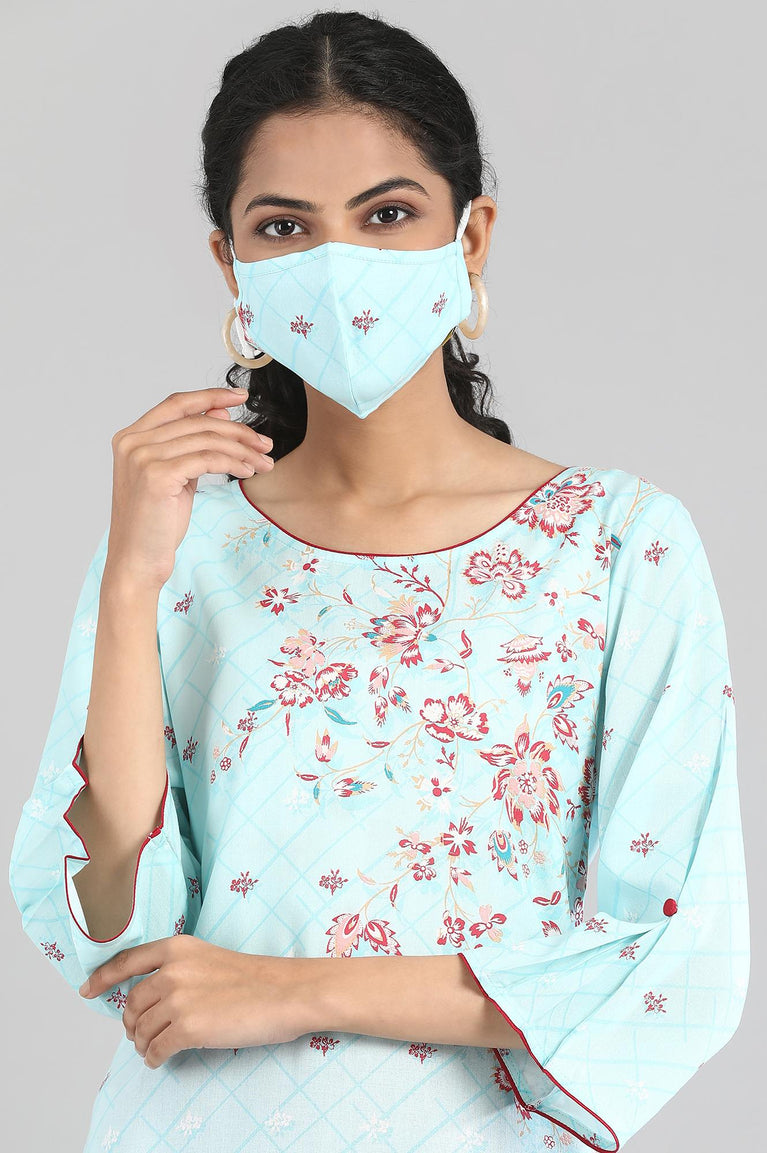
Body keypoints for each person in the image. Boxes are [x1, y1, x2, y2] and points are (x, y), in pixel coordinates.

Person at [8, 9, 749, 1152]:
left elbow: (668, 959)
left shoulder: (617, 546)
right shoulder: (182, 545)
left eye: (387, 214)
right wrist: (128, 582)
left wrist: (293, 988)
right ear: (230, 264)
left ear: (471, 235)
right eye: (283, 226)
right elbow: (111, 928)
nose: (336, 262)